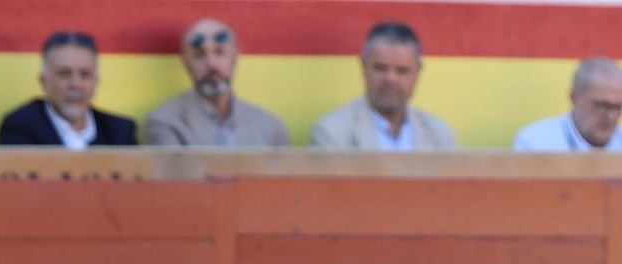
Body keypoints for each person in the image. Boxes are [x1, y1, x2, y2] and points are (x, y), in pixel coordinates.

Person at [309, 22, 455, 151]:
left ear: (417, 72)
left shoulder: (439, 135)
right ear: (364, 67)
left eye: (402, 70)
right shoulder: (332, 133)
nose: (390, 79)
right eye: (380, 68)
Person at [143, 18, 289, 147]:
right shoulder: (166, 122)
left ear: (235, 57)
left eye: (220, 52)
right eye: (199, 55)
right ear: (185, 62)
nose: (211, 64)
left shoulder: (270, 127)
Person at [0, 31, 137, 147]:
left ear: (96, 81)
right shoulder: (19, 128)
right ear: (44, 81)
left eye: (85, 74)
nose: (75, 84)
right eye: (64, 74)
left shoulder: (120, 132)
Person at [511, 58, 622, 152]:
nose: (611, 116)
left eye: (618, 108)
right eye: (601, 106)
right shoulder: (536, 143)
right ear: (574, 98)